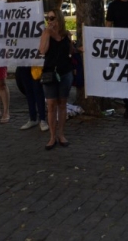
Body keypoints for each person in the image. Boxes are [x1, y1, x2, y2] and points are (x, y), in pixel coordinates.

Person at [8, 0, 48, 132]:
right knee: (28, 90)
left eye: (26, 1)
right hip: (22, 58)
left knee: (37, 89)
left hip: (35, 59)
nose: (23, 3)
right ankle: (32, 118)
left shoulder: (37, 19)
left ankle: (43, 119)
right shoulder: (15, 20)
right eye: (21, 1)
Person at [39, 9, 75, 150]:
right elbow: (42, 51)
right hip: (49, 74)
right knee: (51, 105)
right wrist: (48, 34)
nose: (50, 21)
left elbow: (71, 51)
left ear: (59, 19)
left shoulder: (66, 35)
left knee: (62, 104)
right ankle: (52, 136)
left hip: (65, 73)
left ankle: (61, 134)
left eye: (52, 18)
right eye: (48, 18)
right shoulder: (45, 33)